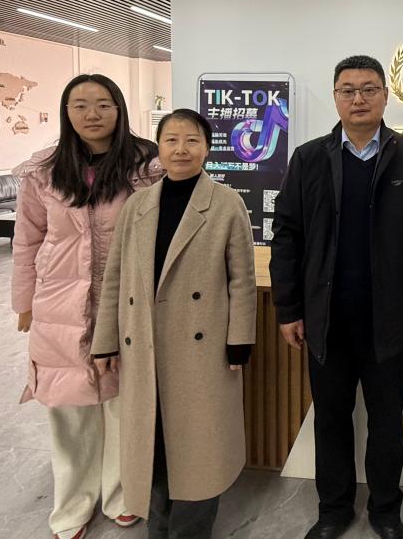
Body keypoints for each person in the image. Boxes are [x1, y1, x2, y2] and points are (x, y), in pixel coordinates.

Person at [270, 55, 403, 539]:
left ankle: (386, 511)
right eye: (348, 90)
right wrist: (288, 308)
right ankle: (333, 510)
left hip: (389, 318)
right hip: (326, 317)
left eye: (369, 89)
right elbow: (286, 235)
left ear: (386, 96)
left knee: (387, 421)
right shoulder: (308, 158)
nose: (358, 98)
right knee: (331, 418)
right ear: (335, 98)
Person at [92, 108, 256, 539]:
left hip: (201, 352)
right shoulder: (137, 205)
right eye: (171, 140)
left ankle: (191, 531)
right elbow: (115, 277)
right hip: (144, 348)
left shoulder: (226, 203)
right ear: (159, 149)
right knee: (153, 444)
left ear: (207, 149)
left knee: (198, 449)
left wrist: (239, 341)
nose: (181, 149)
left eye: (192, 140)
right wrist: (105, 340)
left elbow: (242, 279)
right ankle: (158, 526)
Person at [11, 73, 161, 539]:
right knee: (69, 405)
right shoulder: (43, 170)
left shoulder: (148, 166)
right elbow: (27, 239)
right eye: (80, 105)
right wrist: (23, 302)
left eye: (102, 104)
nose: (92, 114)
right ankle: (73, 503)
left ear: (119, 109)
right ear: (67, 112)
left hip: (127, 299)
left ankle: (122, 494)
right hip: (60, 302)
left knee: (122, 402)